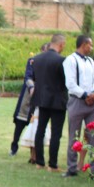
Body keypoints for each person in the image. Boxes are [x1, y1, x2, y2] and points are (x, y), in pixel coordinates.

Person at [63, 35, 94, 178]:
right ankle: (72, 167)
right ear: (84, 44)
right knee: (75, 135)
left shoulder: (90, 61)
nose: (91, 48)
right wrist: (85, 95)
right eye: (90, 45)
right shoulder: (70, 60)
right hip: (77, 101)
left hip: (93, 101)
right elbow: (71, 84)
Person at [32, 34, 68, 172]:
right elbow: (65, 80)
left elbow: (35, 78)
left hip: (42, 99)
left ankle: (39, 161)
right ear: (61, 44)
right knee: (56, 133)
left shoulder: (37, 59)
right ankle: (52, 164)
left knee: (40, 130)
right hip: (58, 100)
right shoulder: (61, 60)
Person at [10, 49, 38, 157]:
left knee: (37, 126)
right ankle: (14, 147)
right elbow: (28, 76)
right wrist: (32, 87)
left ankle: (34, 154)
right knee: (20, 124)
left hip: (41, 99)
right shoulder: (32, 61)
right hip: (27, 98)